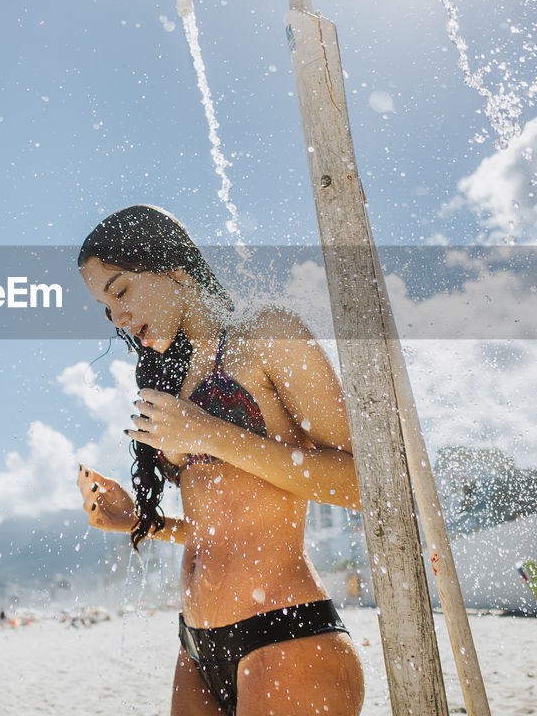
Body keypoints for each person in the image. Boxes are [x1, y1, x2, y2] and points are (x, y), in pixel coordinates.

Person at [75, 205, 365, 716]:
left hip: (284, 632)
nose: (116, 317)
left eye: (120, 290)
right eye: (105, 306)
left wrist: (210, 434)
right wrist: (138, 522)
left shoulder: (268, 336)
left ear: (175, 270)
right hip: (197, 645)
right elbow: (227, 529)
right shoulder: (174, 379)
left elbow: (366, 485)